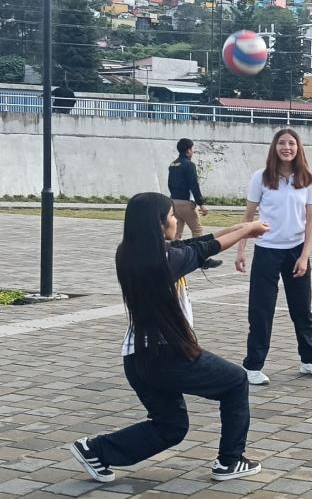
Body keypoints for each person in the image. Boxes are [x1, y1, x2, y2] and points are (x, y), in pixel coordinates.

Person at [69, 193, 268, 483]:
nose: (176, 220)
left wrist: (238, 228)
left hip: (137, 358)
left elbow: (195, 244)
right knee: (236, 382)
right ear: (159, 224)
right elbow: (205, 249)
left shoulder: (130, 252)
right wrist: (248, 230)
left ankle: (96, 450)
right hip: (169, 356)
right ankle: (230, 461)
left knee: (170, 426)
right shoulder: (164, 261)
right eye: (172, 216)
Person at [236, 129, 312, 385]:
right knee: (261, 310)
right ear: (274, 147)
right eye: (282, 143)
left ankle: (310, 360)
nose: (286, 147)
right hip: (267, 250)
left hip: (296, 250)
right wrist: (241, 249)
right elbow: (248, 218)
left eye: (291, 143)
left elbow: (311, 220)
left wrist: (305, 256)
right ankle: (253, 366)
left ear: (298, 148)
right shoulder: (261, 178)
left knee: (302, 309)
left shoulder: (308, 179)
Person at [168, 138, 222, 269]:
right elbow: (194, 185)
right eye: (192, 149)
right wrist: (201, 203)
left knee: (177, 232)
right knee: (197, 230)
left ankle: (170, 256)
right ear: (188, 150)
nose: (193, 151)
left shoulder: (173, 164)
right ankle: (202, 259)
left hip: (173, 201)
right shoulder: (189, 165)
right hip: (186, 203)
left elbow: (169, 184)